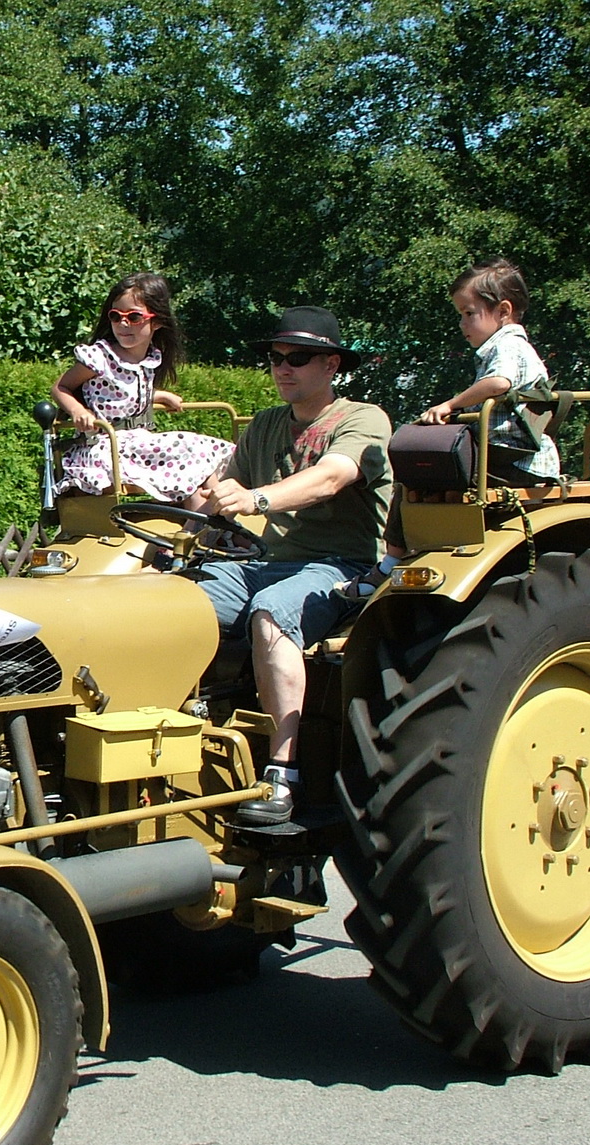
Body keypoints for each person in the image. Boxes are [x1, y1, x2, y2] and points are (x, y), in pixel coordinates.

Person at [198, 306, 393, 825]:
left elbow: (331, 477)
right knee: (175, 602)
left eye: (298, 358)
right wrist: (176, 528)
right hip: (267, 562)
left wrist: (258, 500)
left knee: (271, 611)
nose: (283, 367)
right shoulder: (264, 425)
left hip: (341, 565)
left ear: (331, 365)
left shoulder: (361, 419)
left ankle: (281, 773)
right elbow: (217, 493)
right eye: (275, 357)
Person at [343, 258, 557, 599]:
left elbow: (498, 383)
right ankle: (419, 551)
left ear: (503, 311)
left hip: (512, 459)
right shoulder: (504, 347)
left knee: (415, 472)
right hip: (501, 454)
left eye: (469, 313)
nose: (462, 323)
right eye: (461, 314)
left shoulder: (509, 346)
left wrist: (450, 406)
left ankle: (390, 563)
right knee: (425, 465)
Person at [52, 273, 234, 512]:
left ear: (156, 322)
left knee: (213, 453)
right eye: (116, 317)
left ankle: (209, 522)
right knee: (189, 447)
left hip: (136, 442)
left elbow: (122, 393)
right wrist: (78, 410)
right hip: (107, 446)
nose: (123, 324)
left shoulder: (149, 360)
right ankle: (201, 529)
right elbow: (60, 387)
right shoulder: (100, 357)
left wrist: (159, 396)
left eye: (134, 317)